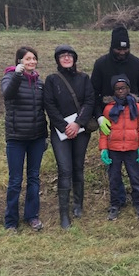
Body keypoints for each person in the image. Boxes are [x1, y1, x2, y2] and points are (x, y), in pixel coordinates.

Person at [91, 26, 139, 203]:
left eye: (126, 49)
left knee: (136, 166)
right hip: (110, 120)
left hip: (133, 119)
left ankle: (138, 199)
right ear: (112, 47)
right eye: (119, 49)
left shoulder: (137, 64)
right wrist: (99, 116)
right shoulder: (101, 64)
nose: (122, 52)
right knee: (114, 166)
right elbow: (92, 93)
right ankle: (117, 200)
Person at [44, 45, 95, 229]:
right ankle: (63, 213)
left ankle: (78, 204)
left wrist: (78, 123)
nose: (66, 58)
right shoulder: (51, 80)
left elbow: (90, 100)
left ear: (75, 58)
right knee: (64, 170)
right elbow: (49, 104)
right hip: (60, 132)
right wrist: (65, 127)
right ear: (57, 59)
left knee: (78, 167)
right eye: (62, 56)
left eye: (69, 55)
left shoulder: (84, 78)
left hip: (80, 130)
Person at [1, 46, 48, 232]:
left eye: (34, 58)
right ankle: (11, 220)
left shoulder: (39, 82)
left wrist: (45, 135)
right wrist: (17, 76)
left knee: (34, 177)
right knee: (15, 180)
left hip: (36, 138)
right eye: (27, 59)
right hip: (16, 138)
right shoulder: (9, 77)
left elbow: (42, 110)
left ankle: (32, 216)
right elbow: (8, 94)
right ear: (19, 61)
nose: (31, 62)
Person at [99, 74, 139, 221]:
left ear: (128, 88)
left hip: (132, 148)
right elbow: (104, 132)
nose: (121, 91)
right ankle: (116, 203)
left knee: (136, 177)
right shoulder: (108, 109)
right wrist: (103, 148)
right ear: (114, 91)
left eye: (124, 88)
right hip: (114, 148)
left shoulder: (137, 107)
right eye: (117, 88)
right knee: (114, 178)